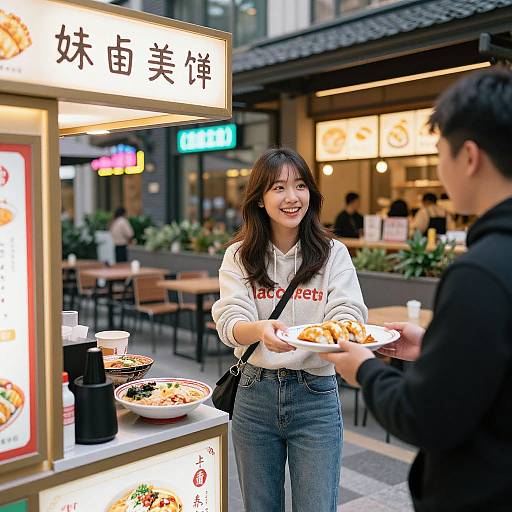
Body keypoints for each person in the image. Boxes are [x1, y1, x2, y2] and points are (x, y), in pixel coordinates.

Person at [322, 68, 512, 511]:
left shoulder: (479, 273)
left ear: (469, 157)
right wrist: (436, 352)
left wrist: (364, 369)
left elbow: (426, 417)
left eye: (440, 152)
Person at [212, 148, 367, 512]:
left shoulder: (333, 254)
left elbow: (349, 312)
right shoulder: (238, 256)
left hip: (315, 393)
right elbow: (229, 321)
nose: (291, 197)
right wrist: (260, 330)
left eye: (300, 186)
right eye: (278, 187)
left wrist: (339, 331)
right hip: (254, 394)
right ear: (261, 200)